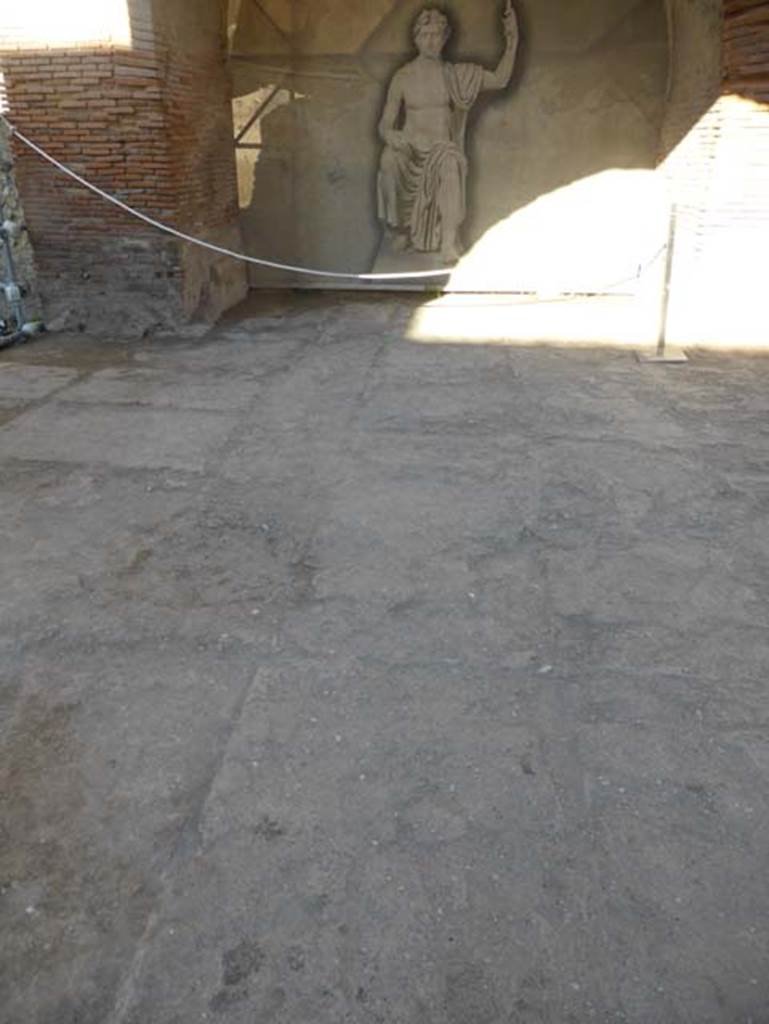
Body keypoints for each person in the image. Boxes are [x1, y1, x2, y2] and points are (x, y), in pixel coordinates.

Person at [377, 3, 519, 265]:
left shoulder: (455, 75)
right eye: (426, 35)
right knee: (388, 160)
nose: (431, 42)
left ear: (445, 38)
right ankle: (400, 229)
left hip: (442, 149)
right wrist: (392, 136)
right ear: (417, 37)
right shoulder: (403, 77)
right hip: (409, 151)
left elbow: (500, 79)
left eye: (437, 36)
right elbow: (385, 123)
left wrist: (512, 41)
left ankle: (447, 242)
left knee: (451, 166)